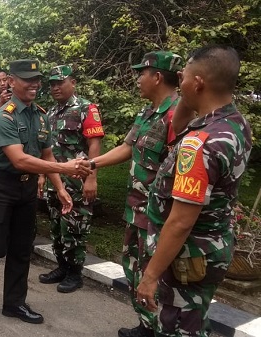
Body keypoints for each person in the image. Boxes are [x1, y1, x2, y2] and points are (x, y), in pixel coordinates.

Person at [137, 45, 252, 337]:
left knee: (177, 326)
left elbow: (180, 221)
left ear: (199, 82)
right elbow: (178, 124)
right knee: (193, 320)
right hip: (211, 246)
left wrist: (150, 277)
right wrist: (190, 98)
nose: (180, 82)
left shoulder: (201, 143)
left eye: (184, 77)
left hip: (188, 256)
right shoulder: (234, 124)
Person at [0, 59, 90, 324]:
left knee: (22, 248)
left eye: (37, 79)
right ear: (12, 82)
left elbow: (46, 153)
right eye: (28, 79)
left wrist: (59, 188)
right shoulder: (4, 117)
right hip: (1, 186)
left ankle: (14, 303)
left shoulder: (40, 115)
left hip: (25, 189)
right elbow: (20, 160)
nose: (35, 84)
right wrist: (67, 169)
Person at [87, 51, 183, 337]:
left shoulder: (178, 115)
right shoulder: (148, 112)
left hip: (159, 218)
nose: (138, 79)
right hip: (137, 211)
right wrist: (90, 164)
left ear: (156, 76)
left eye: (142, 73)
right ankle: (146, 325)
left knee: (159, 280)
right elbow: (128, 148)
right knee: (134, 271)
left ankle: (160, 329)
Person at [38, 65, 104, 294]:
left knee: (75, 227)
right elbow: (46, 150)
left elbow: (95, 145)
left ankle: (75, 273)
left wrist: (92, 179)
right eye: (52, 84)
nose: (55, 87)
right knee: (56, 226)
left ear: (72, 82)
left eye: (60, 82)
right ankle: (62, 267)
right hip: (54, 182)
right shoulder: (50, 113)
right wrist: (41, 177)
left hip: (78, 182)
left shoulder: (86, 108)